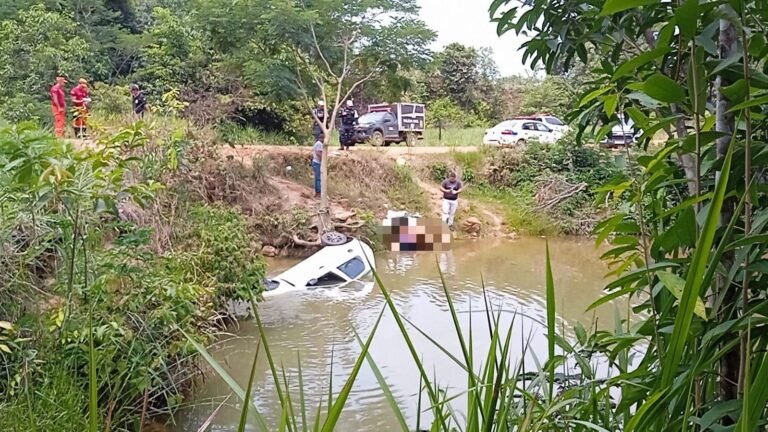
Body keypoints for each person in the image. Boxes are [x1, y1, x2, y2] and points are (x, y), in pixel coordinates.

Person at [312, 133, 324, 198]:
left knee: (317, 178)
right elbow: (319, 153)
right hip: (317, 163)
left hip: (315, 162)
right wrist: (323, 161)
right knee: (319, 179)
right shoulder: (319, 144)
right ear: (322, 138)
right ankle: (318, 193)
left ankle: (317, 192)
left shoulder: (317, 143)